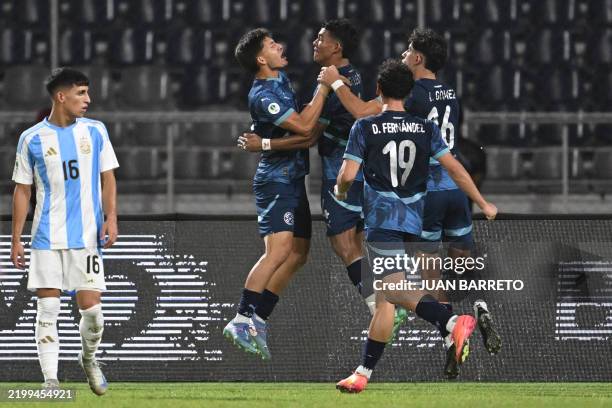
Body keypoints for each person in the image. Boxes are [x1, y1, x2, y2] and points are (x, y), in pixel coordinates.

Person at [319, 28, 502, 378]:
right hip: (447, 196)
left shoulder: (385, 115)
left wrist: (336, 83)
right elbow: (455, 163)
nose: (404, 54)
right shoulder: (446, 98)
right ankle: (364, 372)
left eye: (407, 51)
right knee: (423, 279)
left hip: (407, 205)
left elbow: (357, 132)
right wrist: (481, 201)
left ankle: (451, 325)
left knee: (401, 286)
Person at [238, 19, 407, 338]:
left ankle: (381, 306)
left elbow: (308, 133)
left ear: (336, 47)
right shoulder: (337, 77)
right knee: (309, 251)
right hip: (353, 170)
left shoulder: (334, 81)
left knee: (342, 243)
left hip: (339, 173)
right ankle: (258, 319)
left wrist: (263, 143)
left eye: (320, 39)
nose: (313, 43)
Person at [10, 67, 119, 394]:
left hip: (86, 239)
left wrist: (111, 217)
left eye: (87, 93)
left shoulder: (96, 131)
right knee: (48, 309)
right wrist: (16, 238)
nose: (88, 99)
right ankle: (51, 382)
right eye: (81, 93)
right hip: (46, 238)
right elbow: (22, 191)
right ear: (61, 96)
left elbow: (108, 178)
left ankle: (88, 359)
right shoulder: (31, 139)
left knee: (94, 314)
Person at [224, 28, 329, 360]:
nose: (280, 46)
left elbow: (308, 135)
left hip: (294, 177)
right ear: (260, 58)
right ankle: (240, 318)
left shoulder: (281, 80)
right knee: (278, 250)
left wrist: (266, 142)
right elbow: (303, 127)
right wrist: (325, 88)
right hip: (276, 181)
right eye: (272, 45)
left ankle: (258, 317)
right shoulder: (262, 96)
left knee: (299, 253)